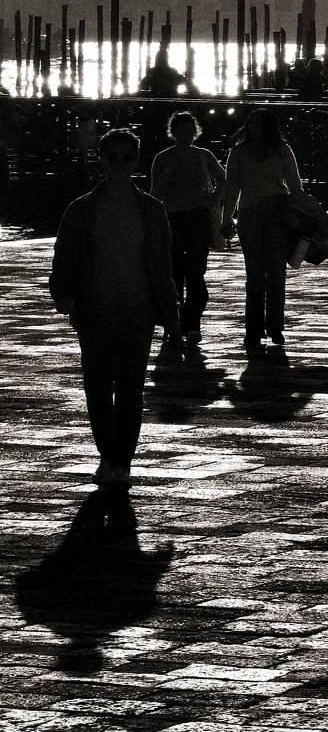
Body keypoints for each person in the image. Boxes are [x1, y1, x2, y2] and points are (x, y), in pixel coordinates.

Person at [49, 128, 180, 488]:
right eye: (113, 157)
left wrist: (171, 317)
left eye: (126, 157)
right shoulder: (81, 209)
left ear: (136, 161)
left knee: (130, 389)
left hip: (138, 312)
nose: (120, 164)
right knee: (97, 388)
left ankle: (121, 461)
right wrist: (62, 293)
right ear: (102, 160)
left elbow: (162, 267)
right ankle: (108, 454)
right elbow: (64, 256)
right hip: (94, 311)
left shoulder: (151, 210)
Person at [221, 108, 308, 350]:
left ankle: (273, 327)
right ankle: (255, 328)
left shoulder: (282, 149)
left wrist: (302, 212)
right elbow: (231, 187)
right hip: (251, 214)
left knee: (276, 272)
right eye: (251, 124)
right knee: (255, 274)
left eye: (258, 124)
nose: (254, 128)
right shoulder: (239, 151)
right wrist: (226, 218)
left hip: (276, 214)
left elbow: (295, 185)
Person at [150, 111, 225, 345]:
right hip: (173, 219)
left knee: (194, 272)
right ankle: (175, 321)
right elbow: (155, 193)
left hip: (197, 218)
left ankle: (190, 323)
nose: (185, 135)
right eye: (181, 131)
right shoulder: (163, 158)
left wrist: (214, 199)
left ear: (195, 132)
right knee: (175, 273)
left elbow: (224, 179)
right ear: (173, 133)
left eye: (189, 131)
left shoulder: (204, 155)